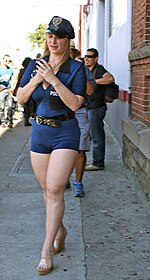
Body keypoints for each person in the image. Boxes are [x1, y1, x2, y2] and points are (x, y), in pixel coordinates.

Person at [16, 16, 86, 275]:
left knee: (55, 190)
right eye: (49, 36)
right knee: (46, 190)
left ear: (68, 40)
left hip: (65, 133)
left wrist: (54, 80)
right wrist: (37, 78)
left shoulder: (76, 68)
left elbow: (76, 103)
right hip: (39, 132)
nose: (52, 41)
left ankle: (47, 249)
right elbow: (22, 98)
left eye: (58, 36)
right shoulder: (35, 64)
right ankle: (61, 230)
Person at [69, 48, 96, 197]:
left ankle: (78, 182)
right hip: (60, 113)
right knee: (62, 148)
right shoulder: (55, 68)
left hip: (79, 111)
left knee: (80, 149)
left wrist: (80, 73)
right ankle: (64, 177)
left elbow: (90, 91)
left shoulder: (83, 69)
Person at [84, 48, 114, 171]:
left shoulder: (99, 69)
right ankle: (96, 161)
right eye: (85, 56)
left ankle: (98, 163)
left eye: (89, 56)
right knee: (91, 135)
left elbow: (110, 78)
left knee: (97, 136)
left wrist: (93, 82)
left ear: (95, 59)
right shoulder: (86, 70)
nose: (86, 58)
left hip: (96, 107)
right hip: (88, 106)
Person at [14, 57, 32, 126]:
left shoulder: (22, 70)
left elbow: (19, 80)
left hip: (23, 89)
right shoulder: (31, 70)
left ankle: (26, 118)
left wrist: (16, 90)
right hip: (29, 89)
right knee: (29, 105)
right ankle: (27, 119)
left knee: (26, 106)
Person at [0, 54, 14, 127]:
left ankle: (9, 120)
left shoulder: (10, 70)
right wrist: (1, 78)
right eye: (6, 60)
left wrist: (12, 88)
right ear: (3, 60)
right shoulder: (0, 69)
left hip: (8, 89)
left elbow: (12, 79)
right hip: (1, 89)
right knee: (1, 107)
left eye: (9, 60)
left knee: (10, 106)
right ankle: (2, 121)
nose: (7, 62)